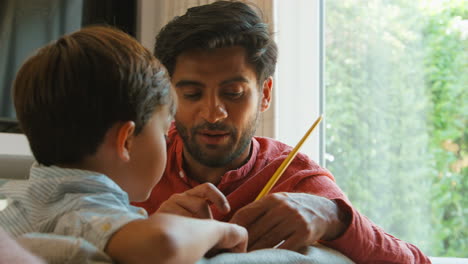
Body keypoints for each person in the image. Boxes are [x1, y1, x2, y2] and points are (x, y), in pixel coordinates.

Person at [132, 1, 431, 263]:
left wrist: (335, 217)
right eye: (192, 94)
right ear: (169, 96)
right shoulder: (133, 158)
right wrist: (148, 235)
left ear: (265, 94)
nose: (212, 114)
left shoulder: (296, 179)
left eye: (234, 93)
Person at [0, 25, 247, 264]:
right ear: (126, 141)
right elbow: (164, 243)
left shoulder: (18, 198)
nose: (168, 141)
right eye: (163, 133)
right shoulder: (87, 210)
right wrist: (221, 231)